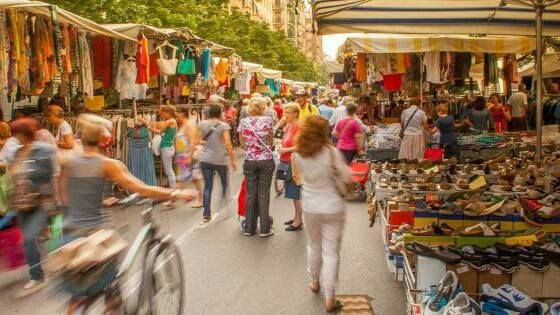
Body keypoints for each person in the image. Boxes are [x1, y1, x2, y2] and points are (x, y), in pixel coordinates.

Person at [59, 114, 197, 311]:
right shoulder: (108, 164)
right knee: (110, 286)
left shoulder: (68, 163)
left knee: (78, 294)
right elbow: (141, 189)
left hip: (69, 236)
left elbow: (64, 197)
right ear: (103, 139)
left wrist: (98, 199)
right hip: (98, 237)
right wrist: (176, 192)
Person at [292, 115, 351, 313]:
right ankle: (330, 297)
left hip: (310, 205)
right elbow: (346, 176)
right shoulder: (331, 153)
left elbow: (299, 177)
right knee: (331, 251)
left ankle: (314, 281)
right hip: (333, 206)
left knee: (314, 245)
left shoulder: (298, 154)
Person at [9, 118, 56, 294]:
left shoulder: (44, 150)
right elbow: (14, 177)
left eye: (18, 134)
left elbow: (50, 176)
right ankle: (42, 265)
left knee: (29, 238)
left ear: (25, 133)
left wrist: (52, 202)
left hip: (40, 202)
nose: (16, 137)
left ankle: (37, 276)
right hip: (22, 203)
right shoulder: (16, 152)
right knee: (29, 239)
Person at [238, 97, 275, 237]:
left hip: (250, 160)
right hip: (266, 159)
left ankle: (249, 228)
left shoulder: (244, 122)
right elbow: (270, 141)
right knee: (263, 194)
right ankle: (265, 229)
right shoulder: (268, 121)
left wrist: (251, 149)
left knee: (250, 193)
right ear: (263, 107)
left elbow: (242, 143)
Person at [199, 104, 237, 223]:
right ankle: (222, 207)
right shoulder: (223, 125)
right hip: (220, 160)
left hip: (205, 159)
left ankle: (206, 214)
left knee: (208, 186)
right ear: (219, 113)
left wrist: (206, 144)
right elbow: (228, 144)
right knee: (224, 184)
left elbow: (197, 140)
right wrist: (233, 159)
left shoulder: (202, 124)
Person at [278, 103, 303, 232]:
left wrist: (284, 150)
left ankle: (298, 220)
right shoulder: (290, 125)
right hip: (286, 161)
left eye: (287, 112)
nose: (285, 115)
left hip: (293, 162)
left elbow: (300, 146)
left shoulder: (299, 126)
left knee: (295, 192)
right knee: (292, 192)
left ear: (295, 113)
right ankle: (296, 217)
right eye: (285, 112)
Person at [144, 105, 178, 190]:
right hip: (169, 146)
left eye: (162, 113)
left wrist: (147, 126)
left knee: (169, 171)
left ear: (167, 113)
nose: (161, 115)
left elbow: (159, 131)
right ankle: (172, 188)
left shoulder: (170, 121)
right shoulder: (172, 121)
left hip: (166, 147)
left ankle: (173, 190)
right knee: (169, 170)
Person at [175, 107, 203, 208]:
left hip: (187, 155)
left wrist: (189, 156)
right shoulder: (184, 124)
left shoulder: (189, 125)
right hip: (182, 155)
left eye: (177, 114)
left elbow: (192, 141)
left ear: (182, 113)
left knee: (182, 178)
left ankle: (172, 200)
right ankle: (200, 198)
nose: (176, 117)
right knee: (189, 178)